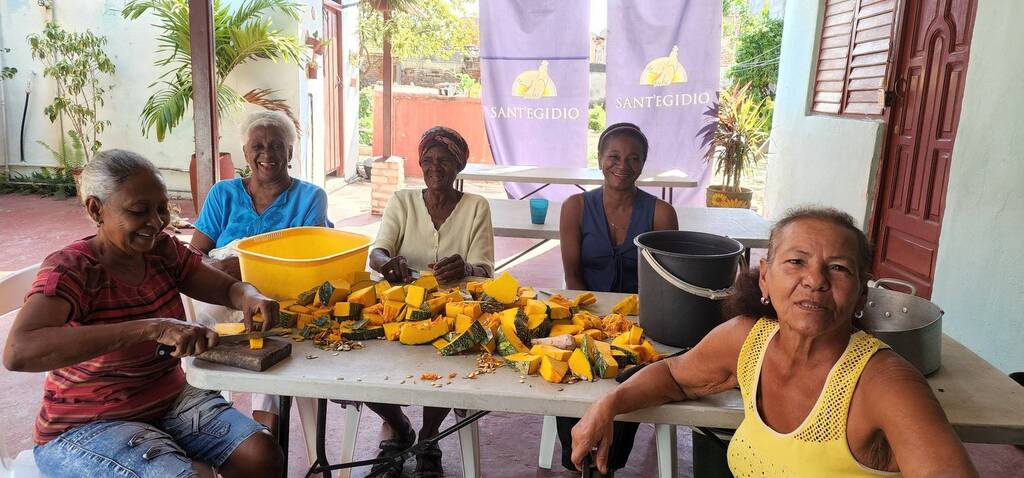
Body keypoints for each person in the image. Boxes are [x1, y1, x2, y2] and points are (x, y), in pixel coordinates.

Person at [570, 207, 978, 477]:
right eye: (796, 262)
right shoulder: (750, 339)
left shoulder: (884, 384)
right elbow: (676, 375)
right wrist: (607, 405)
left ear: (861, 296)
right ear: (764, 278)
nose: (815, 281)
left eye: (837, 268)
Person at [3, 150, 284, 478]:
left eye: (162, 209)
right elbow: (19, 351)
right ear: (96, 209)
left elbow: (226, 290)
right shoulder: (73, 270)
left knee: (261, 454)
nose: (156, 222)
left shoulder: (162, 251)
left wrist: (250, 296)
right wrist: (152, 329)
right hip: (86, 426)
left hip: (168, 400)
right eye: (139, 211)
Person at [190, 110, 331, 434]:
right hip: (220, 300)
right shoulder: (222, 194)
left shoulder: (310, 198)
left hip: (278, 298)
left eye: (277, 146)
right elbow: (195, 254)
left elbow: (303, 261)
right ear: (245, 152)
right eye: (258, 146)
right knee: (201, 329)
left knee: (268, 340)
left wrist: (244, 267)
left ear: (290, 153)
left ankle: (265, 437)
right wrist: (219, 268)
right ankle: (205, 419)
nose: (267, 154)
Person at [366, 126, 494, 477]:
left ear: (459, 166)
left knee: (449, 358)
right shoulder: (402, 201)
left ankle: (428, 436)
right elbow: (378, 252)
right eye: (428, 160)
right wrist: (387, 264)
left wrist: (465, 267)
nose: (435, 167)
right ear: (420, 164)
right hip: (399, 305)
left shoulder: (475, 207)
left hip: (454, 310)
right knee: (360, 366)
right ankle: (399, 427)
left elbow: (485, 272)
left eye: (445, 160)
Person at [556, 122, 678, 472]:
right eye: (613, 156)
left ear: (642, 165)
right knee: (570, 371)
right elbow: (573, 274)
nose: (622, 165)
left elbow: (668, 281)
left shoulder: (660, 213)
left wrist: (635, 327)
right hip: (586, 315)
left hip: (644, 322)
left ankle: (606, 463)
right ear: (599, 160)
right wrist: (590, 325)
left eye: (633, 158)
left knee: (630, 378)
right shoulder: (575, 207)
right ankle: (577, 458)